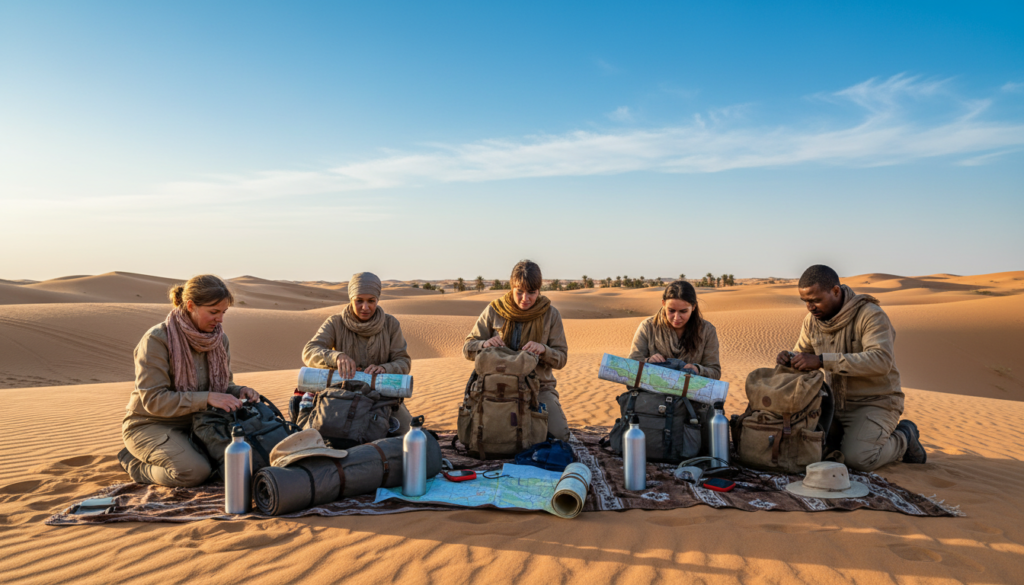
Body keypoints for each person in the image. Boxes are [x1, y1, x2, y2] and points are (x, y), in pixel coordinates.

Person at [776, 264, 927, 471]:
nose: (810, 307)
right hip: (833, 405)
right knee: (808, 452)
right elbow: (803, 353)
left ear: (836, 291)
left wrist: (821, 361)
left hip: (875, 403)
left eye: (816, 300)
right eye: (806, 302)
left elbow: (881, 360)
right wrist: (790, 359)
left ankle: (904, 437)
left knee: (858, 460)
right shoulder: (812, 321)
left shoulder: (870, 315)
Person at [120, 275, 260, 487]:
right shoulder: (157, 339)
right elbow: (153, 400)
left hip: (202, 425)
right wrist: (207, 398)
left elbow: (223, 386)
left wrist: (240, 390)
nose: (220, 319)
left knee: (245, 462)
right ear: (190, 305)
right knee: (194, 472)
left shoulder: (219, 339)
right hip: (152, 425)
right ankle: (135, 463)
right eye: (213, 312)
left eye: (223, 312)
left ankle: (187, 451)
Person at [463, 260, 570, 439]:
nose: (525, 298)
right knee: (481, 436)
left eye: (531, 293)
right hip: (496, 387)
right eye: (519, 292)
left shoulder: (551, 315)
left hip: (538, 388)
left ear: (539, 290)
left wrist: (543, 349)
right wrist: (484, 345)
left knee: (559, 435)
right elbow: (467, 348)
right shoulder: (494, 310)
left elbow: (562, 358)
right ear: (512, 287)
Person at [302, 272, 413, 434]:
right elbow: (309, 351)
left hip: (381, 397)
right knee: (318, 434)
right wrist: (336, 357)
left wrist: (385, 368)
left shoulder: (391, 325)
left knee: (408, 433)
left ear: (378, 300)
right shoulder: (335, 323)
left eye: (371, 301)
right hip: (340, 396)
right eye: (359, 301)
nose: (365, 307)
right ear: (351, 299)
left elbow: (403, 362)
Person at [628, 280, 721, 379]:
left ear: (693, 306)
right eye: (671, 310)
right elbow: (631, 365)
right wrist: (648, 361)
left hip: (690, 392)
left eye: (683, 311)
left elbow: (715, 371)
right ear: (663, 304)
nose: (676, 317)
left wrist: (698, 370)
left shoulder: (707, 331)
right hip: (652, 391)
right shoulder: (647, 327)